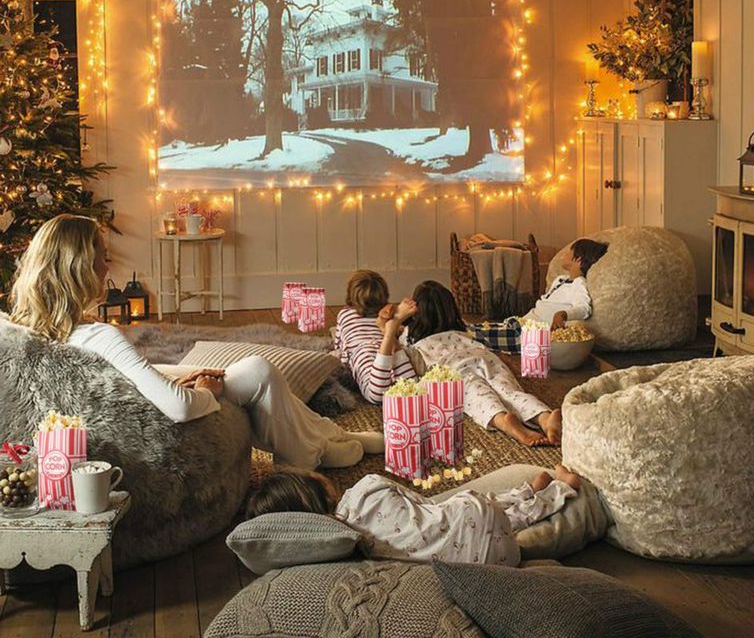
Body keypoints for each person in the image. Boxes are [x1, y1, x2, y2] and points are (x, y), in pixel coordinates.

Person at [9, 214, 383, 470]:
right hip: (152, 425)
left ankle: (331, 436)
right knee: (258, 371)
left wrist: (180, 374)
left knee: (240, 370)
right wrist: (206, 391)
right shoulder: (102, 336)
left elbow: (120, 376)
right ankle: (307, 456)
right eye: (101, 259)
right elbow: (179, 407)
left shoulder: (34, 331)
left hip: (123, 413)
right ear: (79, 269)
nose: (108, 267)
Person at [245, 464, 582, 567]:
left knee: (475, 521)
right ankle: (555, 489)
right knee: (464, 507)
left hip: (499, 559)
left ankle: (531, 492)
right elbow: (426, 505)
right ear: (314, 483)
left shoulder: (343, 547)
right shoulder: (367, 486)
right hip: (480, 518)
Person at [404, 281, 562, 446]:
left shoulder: (410, 335)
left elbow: (398, 352)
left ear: (416, 313)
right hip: (484, 357)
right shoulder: (463, 327)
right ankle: (544, 417)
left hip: (452, 368)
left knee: (478, 395)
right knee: (509, 390)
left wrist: (400, 318)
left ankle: (502, 419)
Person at [468, 238, 608, 354]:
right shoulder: (561, 279)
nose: (565, 254)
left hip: (532, 335)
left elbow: (584, 308)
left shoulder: (579, 284)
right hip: (522, 322)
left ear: (578, 259)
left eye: (569, 251)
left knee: (475, 336)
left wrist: (563, 314)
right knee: (474, 328)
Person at [334, 270, 417, 404]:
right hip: (386, 347)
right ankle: (388, 332)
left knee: (376, 395)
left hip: (361, 351)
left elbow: (339, 347)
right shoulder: (388, 314)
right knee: (412, 387)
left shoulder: (344, 314)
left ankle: (389, 332)